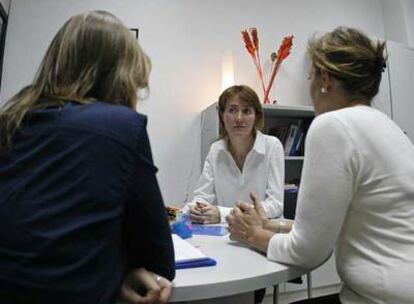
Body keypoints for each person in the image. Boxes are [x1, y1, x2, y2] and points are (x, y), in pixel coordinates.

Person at [226, 26, 414, 304]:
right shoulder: (390, 128)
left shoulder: (332, 125)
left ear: (324, 78)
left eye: (310, 76)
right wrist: (269, 224)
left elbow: (308, 250)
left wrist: (254, 234)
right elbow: (328, 225)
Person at [0, 11, 175, 304]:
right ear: (121, 77)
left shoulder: (9, 120)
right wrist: (120, 270)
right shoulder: (122, 126)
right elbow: (159, 259)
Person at [184, 85, 285, 225]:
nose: (239, 118)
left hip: (264, 232)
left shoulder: (272, 146)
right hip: (227, 233)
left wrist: (223, 214)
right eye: (232, 110)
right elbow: (202, 196)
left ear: (256, 117)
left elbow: (275, 205)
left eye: (246, 111)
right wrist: (197, 208)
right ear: (222, 116)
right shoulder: (215, 149)